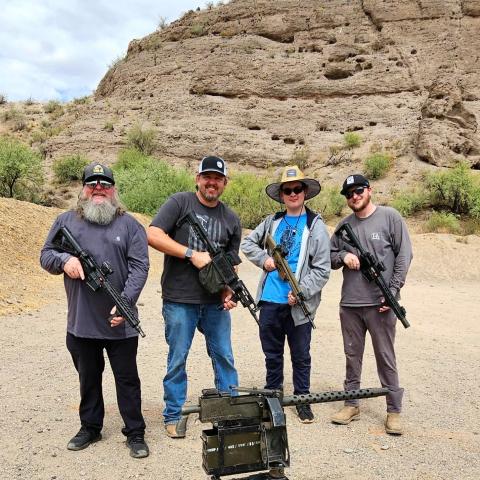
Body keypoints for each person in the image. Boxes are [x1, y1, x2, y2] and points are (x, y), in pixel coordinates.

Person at [40, 163, 150, 458]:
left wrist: (124, 301)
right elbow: (46, 255)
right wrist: (64, 261)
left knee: (127, 379)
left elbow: (140, 267)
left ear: (114, 190)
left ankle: (135, 431)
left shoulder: (130, 225)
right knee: (88, 377)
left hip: (120, 322)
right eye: (92, 184)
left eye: (104, 184)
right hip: (81, 322)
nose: (98, 189)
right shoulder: (65, 221)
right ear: (83, 190)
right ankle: (90, 426)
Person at [147, 155, 241, 438]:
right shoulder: (180, 202)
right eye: (207, 177)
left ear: (224, 183)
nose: (212, 182)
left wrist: (229, 290)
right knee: (178, 358)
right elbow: (152, 234)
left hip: (214, 303)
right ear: (197, 178)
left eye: (218, 178)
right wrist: (191, 253)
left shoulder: (231, 218)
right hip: (179, 299)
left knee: (224, 356)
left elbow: (232, 263)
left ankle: (230, 413)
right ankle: (173, 415)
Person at [241, 165, 331, 424]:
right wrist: (265, 260)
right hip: (270, 299)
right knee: (272, 354)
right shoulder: (272, 222)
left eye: (297, 189)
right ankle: (273, 397)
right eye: (287, 190)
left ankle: (302, 400)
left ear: (305, 192)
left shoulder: (316, 226)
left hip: (298, 305)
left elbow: (322, 269)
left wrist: (301, 292)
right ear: (282, 195)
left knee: (301, 356)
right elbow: (248, 243)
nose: (293, 194)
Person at [330, 174, 412, 435]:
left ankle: (394, 410)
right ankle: (351, 404)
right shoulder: (344, 225)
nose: (354, 196)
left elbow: (404, 255)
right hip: (351, 303)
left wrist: (394, 291)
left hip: (381, 303)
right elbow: (329, 257)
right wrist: (345, 256)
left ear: (369, 190)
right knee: (352, 356)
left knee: (385, 356)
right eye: (349, 193)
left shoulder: (390, 217)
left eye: (359, 191)